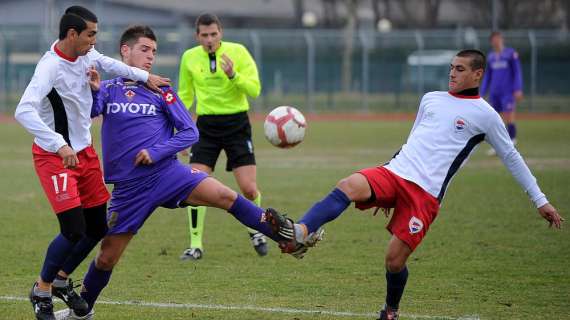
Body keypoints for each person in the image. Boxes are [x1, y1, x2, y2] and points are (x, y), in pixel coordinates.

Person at [266, 49, 564, 320]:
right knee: (349, 184)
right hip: (395, 172)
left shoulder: (486, 115)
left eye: (460, 69)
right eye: (451, 67)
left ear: (477, 74)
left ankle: (391, 310)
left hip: (425, 196)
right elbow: (413, 140)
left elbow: (511, 156)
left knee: (394, 262)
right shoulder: (431, 99)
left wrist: (540, 200)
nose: (452, 73)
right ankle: (301, 233)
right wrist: (387, 187)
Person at [53, 25, 289, 320]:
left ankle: (288, 236)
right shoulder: (111, 89)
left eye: (154, 51)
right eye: (144, 49)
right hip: (129, 189)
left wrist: (157, 152)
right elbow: (89, 113)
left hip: (168, 174)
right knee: (106, 257)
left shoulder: (161, 88)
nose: (151, 57)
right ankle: (82, 311)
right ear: (125, 51)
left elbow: (189, 132)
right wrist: (94, 89)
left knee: (226, 196)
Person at [14, 6, 169, 320]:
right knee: (73, 229)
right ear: (73, 34)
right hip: (54, 156)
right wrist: (59, 144)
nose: (95, 40)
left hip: (83, 154)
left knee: (97, 226)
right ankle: (42, 289)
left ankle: (60, 280)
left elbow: (112, 64)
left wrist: (145, 76)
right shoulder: (49, 67)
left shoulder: (86, 55)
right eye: (90, 34)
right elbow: (24, 111)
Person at [177, 13, 266, 260]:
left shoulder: (238, 52)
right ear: (197, 36)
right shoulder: (189, 57)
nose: (209, 39)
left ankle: (256, 230)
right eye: (204, 35)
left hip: (237, 123)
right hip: (206, 127)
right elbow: (185, 96)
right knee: (194, 185)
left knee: (248, 189)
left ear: (221, 33)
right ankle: (195, 246)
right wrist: (180, 129)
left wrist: (233, 76)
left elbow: (255, 90)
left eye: (213, 34)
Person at [481, 31, 523, 155]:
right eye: (494, 39)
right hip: (495, 92)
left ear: (502, 39)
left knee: (509, 116)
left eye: (498, 38)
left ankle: (512, 141)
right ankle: (499, 145)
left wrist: (518, 88)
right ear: (491, 42)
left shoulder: (510, 54)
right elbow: (488, 75)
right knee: (495, 119)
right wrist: (482, 92)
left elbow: (517, 72)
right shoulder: (491, 57)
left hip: (507, 92)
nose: (496, 41)